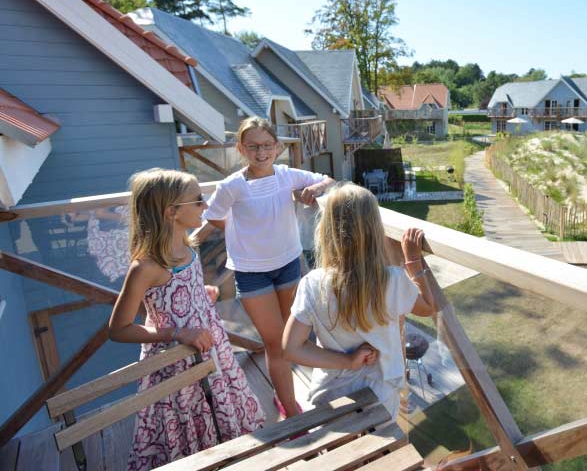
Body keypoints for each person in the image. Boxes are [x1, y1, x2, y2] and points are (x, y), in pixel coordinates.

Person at [109, 169, 265, 471]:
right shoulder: (146, 267)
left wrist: (200, 294)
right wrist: (177, 332)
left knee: (222, 414)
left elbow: (176, 295)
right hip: (176, 361)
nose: (204, 206)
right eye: (197, 201)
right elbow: (118, 329)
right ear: (171, 212)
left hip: (211, 348)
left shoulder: (186, 244)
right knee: (190, 428)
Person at [203, 117, 335, 419]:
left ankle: (286, 393)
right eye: (253, 147)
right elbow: (213, 215)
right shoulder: (232, 186)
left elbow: (327, 179)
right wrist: (239, 232)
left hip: (288, 264)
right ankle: (290, 410)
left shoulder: (286, 175)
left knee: (293, 339)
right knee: (275, 343)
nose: (260, 152)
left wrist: (312, 189)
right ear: (241, 148)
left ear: (277, 147)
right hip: (252, 273)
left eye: (266, 145)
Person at [282, 183, 437, 419]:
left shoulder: (312, 284)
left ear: (327, 230)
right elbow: (428, 307)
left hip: (330, 395)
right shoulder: (392, 280)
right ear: (375, 230)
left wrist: (347, 360)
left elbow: (291, 348)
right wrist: (413, 261)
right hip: (380, 397)